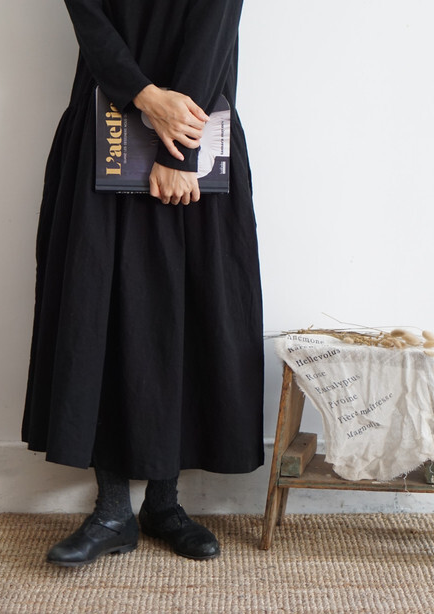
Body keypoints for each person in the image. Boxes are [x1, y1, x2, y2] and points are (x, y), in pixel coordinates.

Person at [22, 0, 263, 566]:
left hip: (197, 135)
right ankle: (112, 512)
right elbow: (90, 20)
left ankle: (165, 505)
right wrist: (145, 96)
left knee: (185, 312)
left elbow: (215, 28)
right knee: (98, 309)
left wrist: (180, 152)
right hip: (104, 127)